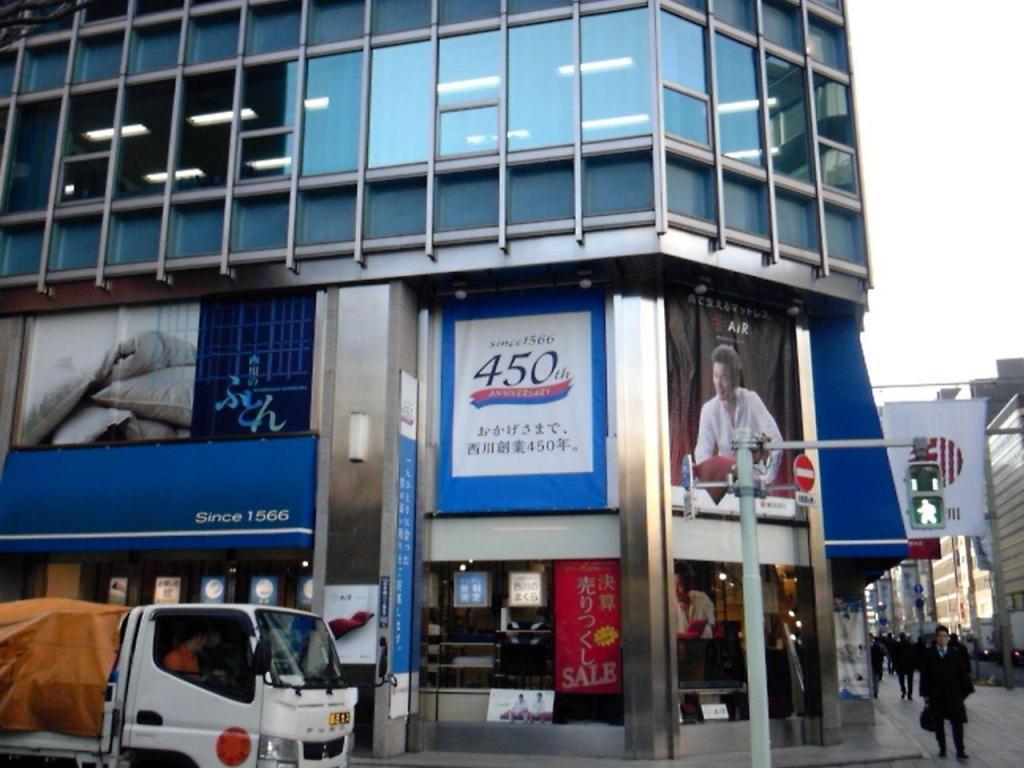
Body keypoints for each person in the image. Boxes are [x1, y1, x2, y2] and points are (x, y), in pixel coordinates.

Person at [694, 344, 784, 484]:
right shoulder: (709, 410)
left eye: (724, 378)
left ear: (736, 377)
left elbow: (777, 441)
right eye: (715, 376)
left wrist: (766, 480)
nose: (718, 384)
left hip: (755, 486)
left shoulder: (751, 400)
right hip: (727, 486)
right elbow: (702, 453)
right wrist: (714, 479)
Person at [920, 625, 973, 760]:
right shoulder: (929, 654)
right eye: (940, 636)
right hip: (936, 695)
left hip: (954, 695)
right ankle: (942, 748)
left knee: (958, 723)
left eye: (945, 636)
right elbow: (924, 675)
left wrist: (964, 692)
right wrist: (925, 694)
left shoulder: (955, 653)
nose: (942, 639)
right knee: (938, 724)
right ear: (936, 638)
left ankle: (960, 750)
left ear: (948, 638)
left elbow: (962, 674)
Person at [675, 568, 716, 640]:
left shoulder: (702, 599)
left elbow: (712, 625)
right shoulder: (667, 606)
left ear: (689, 585)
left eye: (680, 585)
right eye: (672, 585)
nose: (675, 591)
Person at [896, 632, 916, 700]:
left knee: (901, 679)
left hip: (900, 666)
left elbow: (895, 656)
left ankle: (903, 690)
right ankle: (909, 694)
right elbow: (914, 655)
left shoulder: (897, 645)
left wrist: (896, 665)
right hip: (909, 665)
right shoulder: (910, 645)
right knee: (910, 681)